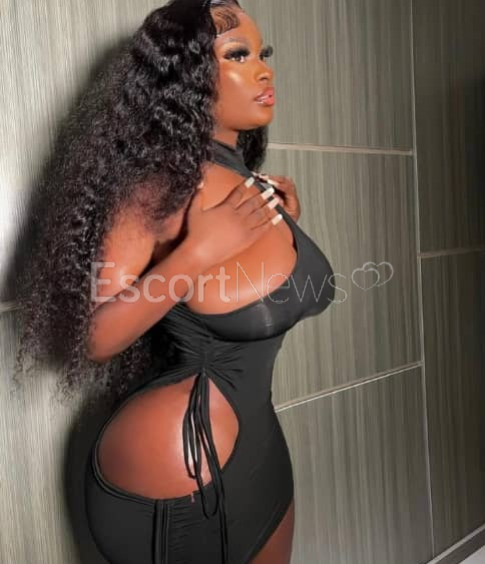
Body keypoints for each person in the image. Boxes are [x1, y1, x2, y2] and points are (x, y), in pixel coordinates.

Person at [15, 1, 334, 562]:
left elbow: (254, 289)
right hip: (175, 458)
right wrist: (196, 253)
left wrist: (285, 231)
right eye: (238, 55)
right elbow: (95, 337)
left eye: (263, 54)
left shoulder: (245, 185)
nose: (264, 70)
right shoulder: (156, 187)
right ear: (185, 77)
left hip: (257, 435)